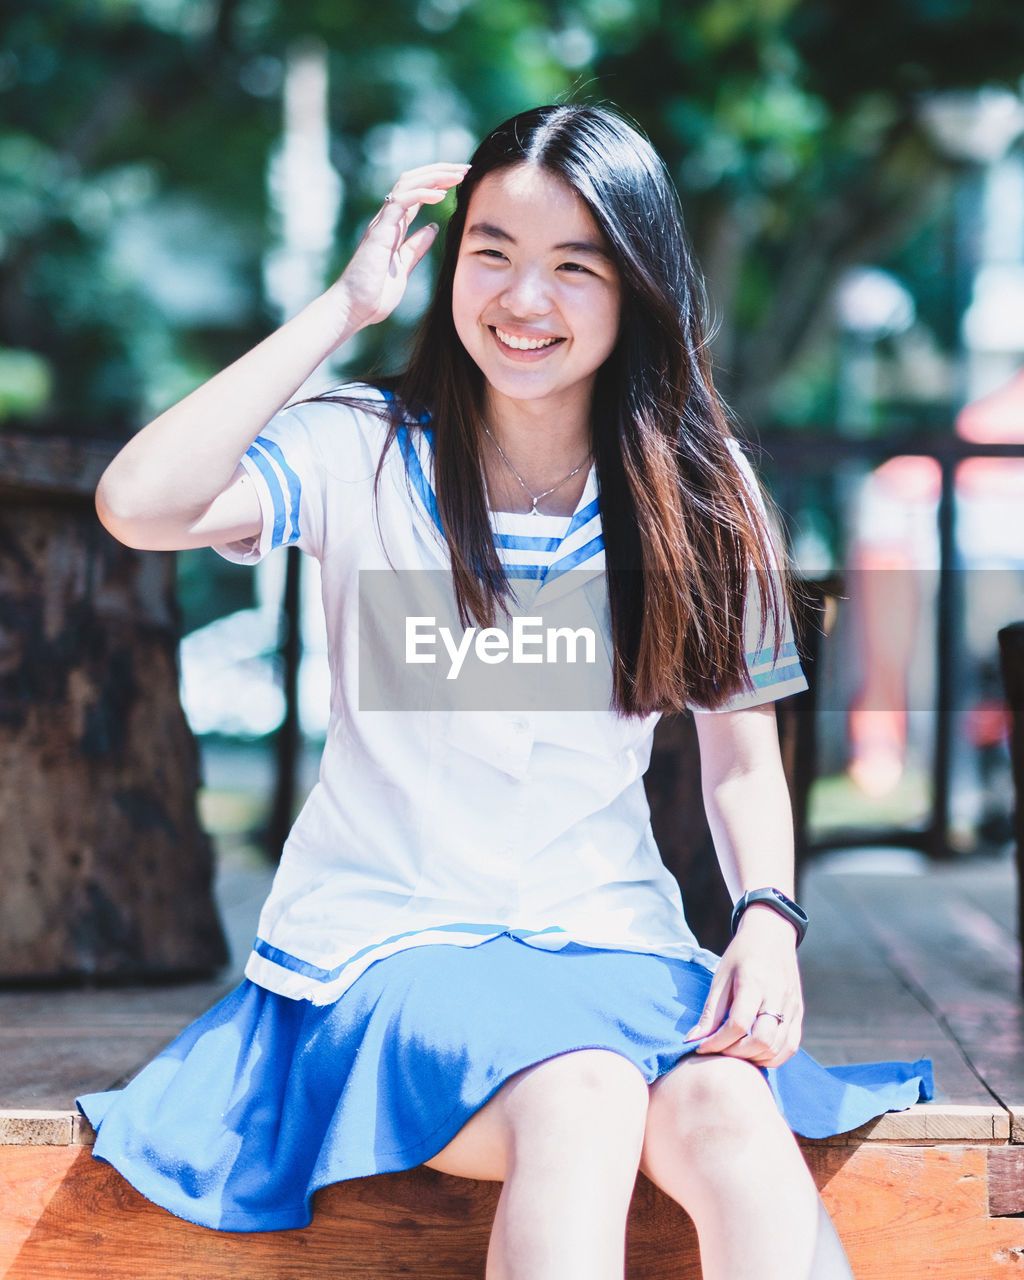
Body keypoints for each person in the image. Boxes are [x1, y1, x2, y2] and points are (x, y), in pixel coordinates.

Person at [79, 104, 931, 1280]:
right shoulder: (357, 447)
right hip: (387, 942)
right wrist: (343, 310)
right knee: (580, 1094)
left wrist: (767, 921)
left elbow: (741, 761)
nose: (523, 302)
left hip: (613, 938)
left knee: (736, 1118)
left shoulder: (697, 484)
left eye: (573, 267)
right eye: (492, 253)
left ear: (636, 284)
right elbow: (140, 502)